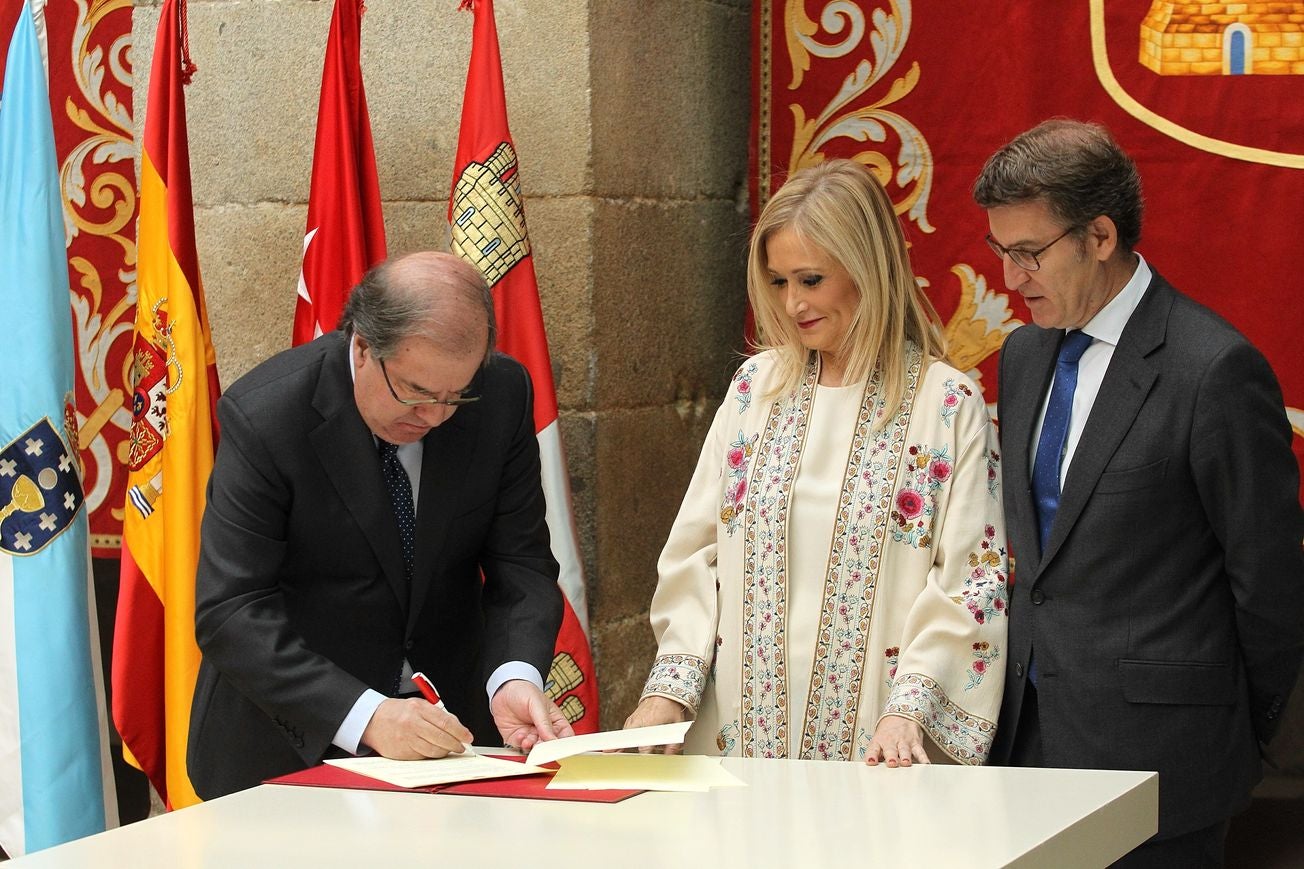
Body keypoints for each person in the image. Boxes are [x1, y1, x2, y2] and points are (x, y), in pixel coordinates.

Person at [974, 119, 1304, 866]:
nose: (1009, 277)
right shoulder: (1024, 354)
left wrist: (1232, 727)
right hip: (1024, 751)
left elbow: (1270, 587)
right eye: (1001, 251)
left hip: (1164, 768)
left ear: (1099, 234)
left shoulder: (1213, 370)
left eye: (1028, 253)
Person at [624, 160, 1009, 766]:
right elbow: (695, 553)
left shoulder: (947, 403)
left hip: (882, 750)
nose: (793, 303)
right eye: (778, 283)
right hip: (741, 740)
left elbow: (969, 583)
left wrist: (910, 709)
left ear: (867, 269)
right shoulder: (756, 388)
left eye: (810, 279)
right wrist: (669, 692)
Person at [187, 251, 573, 798]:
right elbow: (232, 611)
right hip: (285, 750)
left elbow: (522, 564)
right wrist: (367, 716)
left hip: (453, 746)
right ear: (363, 347)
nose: (435, 416)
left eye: (453, 396)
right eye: (415, 393)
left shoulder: (500, 396)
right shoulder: (266, 417)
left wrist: (513, 676)